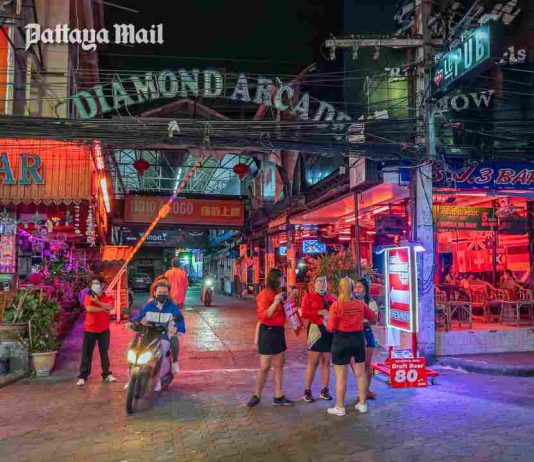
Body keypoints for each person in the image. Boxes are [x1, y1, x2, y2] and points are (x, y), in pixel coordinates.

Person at [326, 277, 376, 416]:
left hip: (341, 340)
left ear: (340, 289)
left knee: (341, 377)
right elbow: (373, 318)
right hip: (358, 339)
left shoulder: (336, 305)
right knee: (360, 374)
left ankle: (340, 407)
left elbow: (330, 327)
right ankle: (363, 404)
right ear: (353, 289)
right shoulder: (360, 304)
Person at [126, 280, 185, 391]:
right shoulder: (149, 305)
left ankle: (158, 379)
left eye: (165, 292)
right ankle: (131, 378)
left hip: (163, 336)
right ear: (155, 293)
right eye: (160, 292)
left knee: (161, 353)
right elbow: (138, 316)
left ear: (168, 293)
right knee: (132, 349)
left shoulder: (172, 307)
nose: (162, 294)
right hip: (148, 334)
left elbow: (180, 322)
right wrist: (131, 323)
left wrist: (176, 329)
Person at [247, 268, 294, 407]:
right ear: (276, 279)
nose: (284, 280)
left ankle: (278, 395)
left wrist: (289, 298)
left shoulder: (278, 293)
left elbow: (284, 310)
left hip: (278, 331)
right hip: (267, 332)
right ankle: (256, 394)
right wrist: (275, 302)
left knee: (279, 365)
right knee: (265, 366)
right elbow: (263, 316)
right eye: (282, 278)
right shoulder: (264, 295)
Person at [300, 276, 336, 402]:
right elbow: (304, 313)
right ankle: (307, 391)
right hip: (315, 331)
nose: (322, 284)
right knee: (313, 363)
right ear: (314, 283)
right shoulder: (308, 296)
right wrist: (318, 312)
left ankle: (324, 390)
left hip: (328, 331)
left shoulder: (331, 297)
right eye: (319, 281)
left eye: (324, 281)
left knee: (326, 362)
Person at [77, 275, 117, 386]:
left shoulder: (108, 296)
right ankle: (83, 376)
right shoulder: (89, 295)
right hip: (90, 329)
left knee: (104, 353)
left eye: (97, 283)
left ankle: (106, 374)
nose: (94, 286)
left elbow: (110, 307)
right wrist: (102, 309)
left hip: (104, 330)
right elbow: (89, 308)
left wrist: (98, 302)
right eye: (93, 283)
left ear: (102, 285)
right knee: (87, 354)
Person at [353, 277, 379, 401]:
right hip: (355, 335)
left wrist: (361, 321)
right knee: (359, 365)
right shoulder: (351, 301)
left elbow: (374, 321)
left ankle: (366, 390)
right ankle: (362, 391)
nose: (357, 289)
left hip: (367, 334)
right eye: (356, 287)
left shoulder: (371, 302)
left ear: (365, 289)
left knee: (367, 364)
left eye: (360, 287)